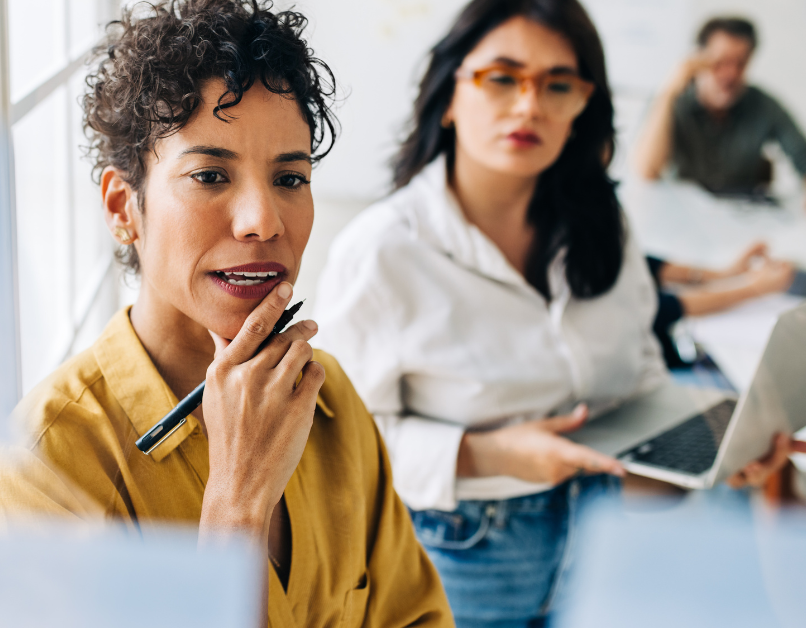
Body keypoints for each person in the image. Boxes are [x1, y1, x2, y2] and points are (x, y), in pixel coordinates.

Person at [0, 2, 452, 626]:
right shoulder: (39, 469)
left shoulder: (330, 403)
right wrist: (236, 508)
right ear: (123, 207)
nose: (263, 221)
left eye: (290, 179)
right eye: (211, 175)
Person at [313, 0, 794, 625]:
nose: (529, 104)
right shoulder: (383, 250)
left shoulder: (602, 226)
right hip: (457, 553)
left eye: (557, 84)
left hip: (602, 531)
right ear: (451, 93)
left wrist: (716, 456)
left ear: (581, 107)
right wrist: (488, 454)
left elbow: (639, 383)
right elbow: (335, 447)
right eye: (503, 77)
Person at [634, 17, 806, 200]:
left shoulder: (763, 105)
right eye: (720, 61)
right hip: (681, 213)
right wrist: (669, 92)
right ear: (698, 59)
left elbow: (802, 156)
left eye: (740, 63)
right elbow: (647, 172)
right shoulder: (672, 100)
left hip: (741, 215)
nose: (730, 74)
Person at [647, 242, 795, 369]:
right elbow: (661, 308)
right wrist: (756, 289)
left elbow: (644, 264)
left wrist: (723, 274)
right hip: (665, 355)